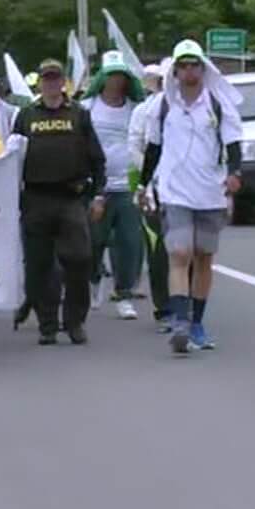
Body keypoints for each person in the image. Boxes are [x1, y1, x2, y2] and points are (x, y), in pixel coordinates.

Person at [140, 40, 245, 355]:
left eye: (194, 65)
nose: (189, 71)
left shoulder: (218, 104)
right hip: (174, 192)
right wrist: (143, 186)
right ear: (174, 71)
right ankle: (180, 322)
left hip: (210, 192)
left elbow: (234, 144)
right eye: (183, 66)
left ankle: (197, 322)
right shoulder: (162, 106)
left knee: (203, 257)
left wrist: (235, 173)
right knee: (179, 253)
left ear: (203, 68)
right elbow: (153, 149)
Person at [12, 59, 106, 346]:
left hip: (71, 197)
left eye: (56, 79)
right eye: (46, 79)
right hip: (36, 198)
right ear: (40, 83)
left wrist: (99, 194)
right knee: (40, 265)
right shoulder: (26, 115)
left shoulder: (79, 114)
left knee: (79, 259)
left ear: (63, 82)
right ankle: (47, 325)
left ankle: (75, 321)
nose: (51, 84)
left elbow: (96, 158)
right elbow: (13, 158)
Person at [81, 53, 148, 323]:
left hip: (128, 186)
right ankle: (94, 280)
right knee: (94, 240)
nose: (116, 81)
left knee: (130, 243)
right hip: (97, 186)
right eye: (112, 76)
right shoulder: (87, 108)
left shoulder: (137, 110)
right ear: (103, 78)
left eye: (121, 76)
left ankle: (124, 294)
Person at [128, 62, 174, 331]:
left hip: (188, 191)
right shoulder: (145, 110)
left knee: (187, 250)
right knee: (160, 252)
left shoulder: (197, 107)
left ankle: (186, 305)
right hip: (155, 189)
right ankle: (164, 308)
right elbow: (135, 144)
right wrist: (150, 177)